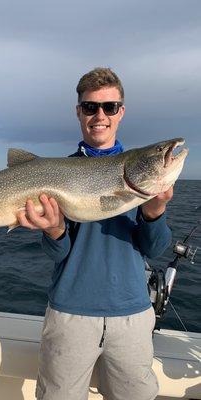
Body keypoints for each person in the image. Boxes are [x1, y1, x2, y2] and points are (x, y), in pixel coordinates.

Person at [17, 67, 173, 400]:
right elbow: (59, 254)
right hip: (70, 315)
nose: (99, 115)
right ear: (79, 112)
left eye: (109, 107)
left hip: (131, 313)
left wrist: (154, 212)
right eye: (90, 107)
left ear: (121, 112)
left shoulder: (137, 177)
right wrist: (55, 230)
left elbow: (153, 248)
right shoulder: (59, 172)